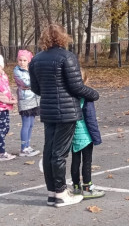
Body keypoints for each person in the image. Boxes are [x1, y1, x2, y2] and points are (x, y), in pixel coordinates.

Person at [29, 24, 99, 208]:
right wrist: (93, 94)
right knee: (59, 154)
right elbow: (77, 86)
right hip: (67, 112)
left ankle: (53, 193)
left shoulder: (35, 60)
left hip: (48, 111)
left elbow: (36, 88)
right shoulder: (67, 57)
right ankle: (60, 193)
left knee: (49, 151)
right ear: (63, 37)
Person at [69, 70, 105, 199]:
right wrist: (96, 137)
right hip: (85, 135)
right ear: (85, 81)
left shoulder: (69, 96)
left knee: (75, 161)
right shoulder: (87, 98)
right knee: (87, 161)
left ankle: (76, 187)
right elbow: (90, 119)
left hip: (72, 135)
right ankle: (87, 188)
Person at [14, 50, 41, 157]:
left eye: (24, 60)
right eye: (20, 60)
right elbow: (25, 83)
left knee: (31, 124)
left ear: (29, 61)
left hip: (34, 99)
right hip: (25, 99)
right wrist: (35, 83)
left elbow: (36, 81)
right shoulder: (17, 71)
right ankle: (23, 148)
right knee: (26, 124)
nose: (22, 62)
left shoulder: (31, 69)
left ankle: (28, 145)